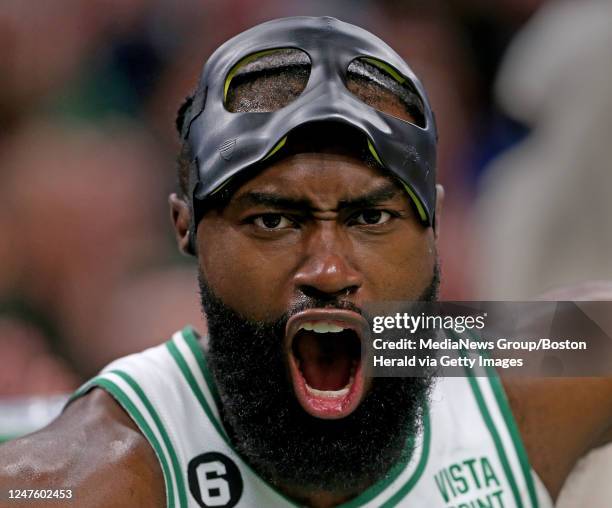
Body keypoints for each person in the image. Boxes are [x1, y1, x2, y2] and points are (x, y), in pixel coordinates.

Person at [1, 16, 611, 508]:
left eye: (370, 219)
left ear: (436, 226)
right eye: (274, 221)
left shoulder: (495, 361)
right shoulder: (99, 469)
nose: (327, 270)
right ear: (185, 227)